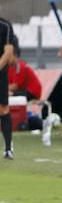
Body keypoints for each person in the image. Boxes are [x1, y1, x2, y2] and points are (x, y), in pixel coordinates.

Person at [0, 16, 16, 159]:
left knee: (3, 109)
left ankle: (8, 148)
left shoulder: (5, 25)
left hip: (0, 74)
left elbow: (8, 52)